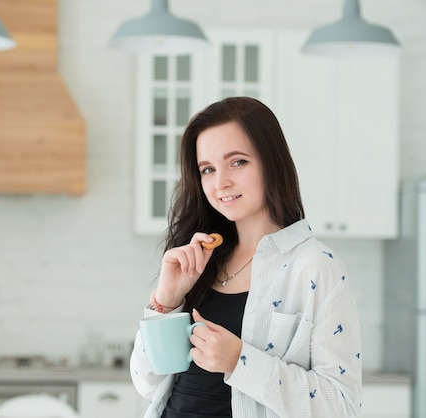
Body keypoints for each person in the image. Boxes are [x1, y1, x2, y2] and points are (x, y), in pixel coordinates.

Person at [130, 97, 362, 418]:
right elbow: (146, 382)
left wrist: (239, 361)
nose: (221, 182)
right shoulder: (202, 260)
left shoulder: (315, 266)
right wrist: (166, 301)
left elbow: (341, 406)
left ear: (271, 162)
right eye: (207, 169)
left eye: (237, 162)